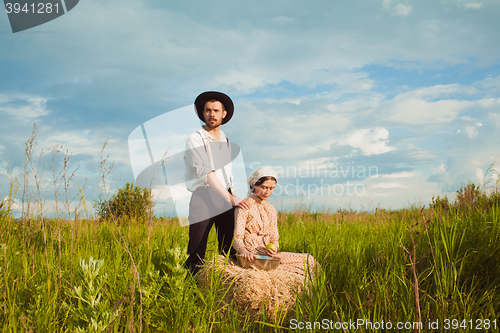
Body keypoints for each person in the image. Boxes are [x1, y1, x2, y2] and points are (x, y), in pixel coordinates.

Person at [184, 91, 250, 275]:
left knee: (229, 248)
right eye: (207, 110)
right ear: (202, 113)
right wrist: (231, 198)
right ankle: (191, 291)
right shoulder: (195, 139)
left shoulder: (226, 141)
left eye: (215, 110)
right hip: (204, 195)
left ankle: (224, 290)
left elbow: (227, 175)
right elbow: (207, 173)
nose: (211, 114)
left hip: (226, 195)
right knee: (197, 249)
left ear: (224, 113)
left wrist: (235, 197)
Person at [233, 166, 319, 278]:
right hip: (252, 255)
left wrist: (274, 247)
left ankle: (313, 293)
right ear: (255, 184)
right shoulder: (244, 206)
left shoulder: (271, 209)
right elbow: (237, 238)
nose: (267, 192)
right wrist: (243, 251)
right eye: (264, 187)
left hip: (269, 255)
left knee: (309, 260)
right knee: (301, 267)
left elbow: (274, 238)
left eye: (271, 188)